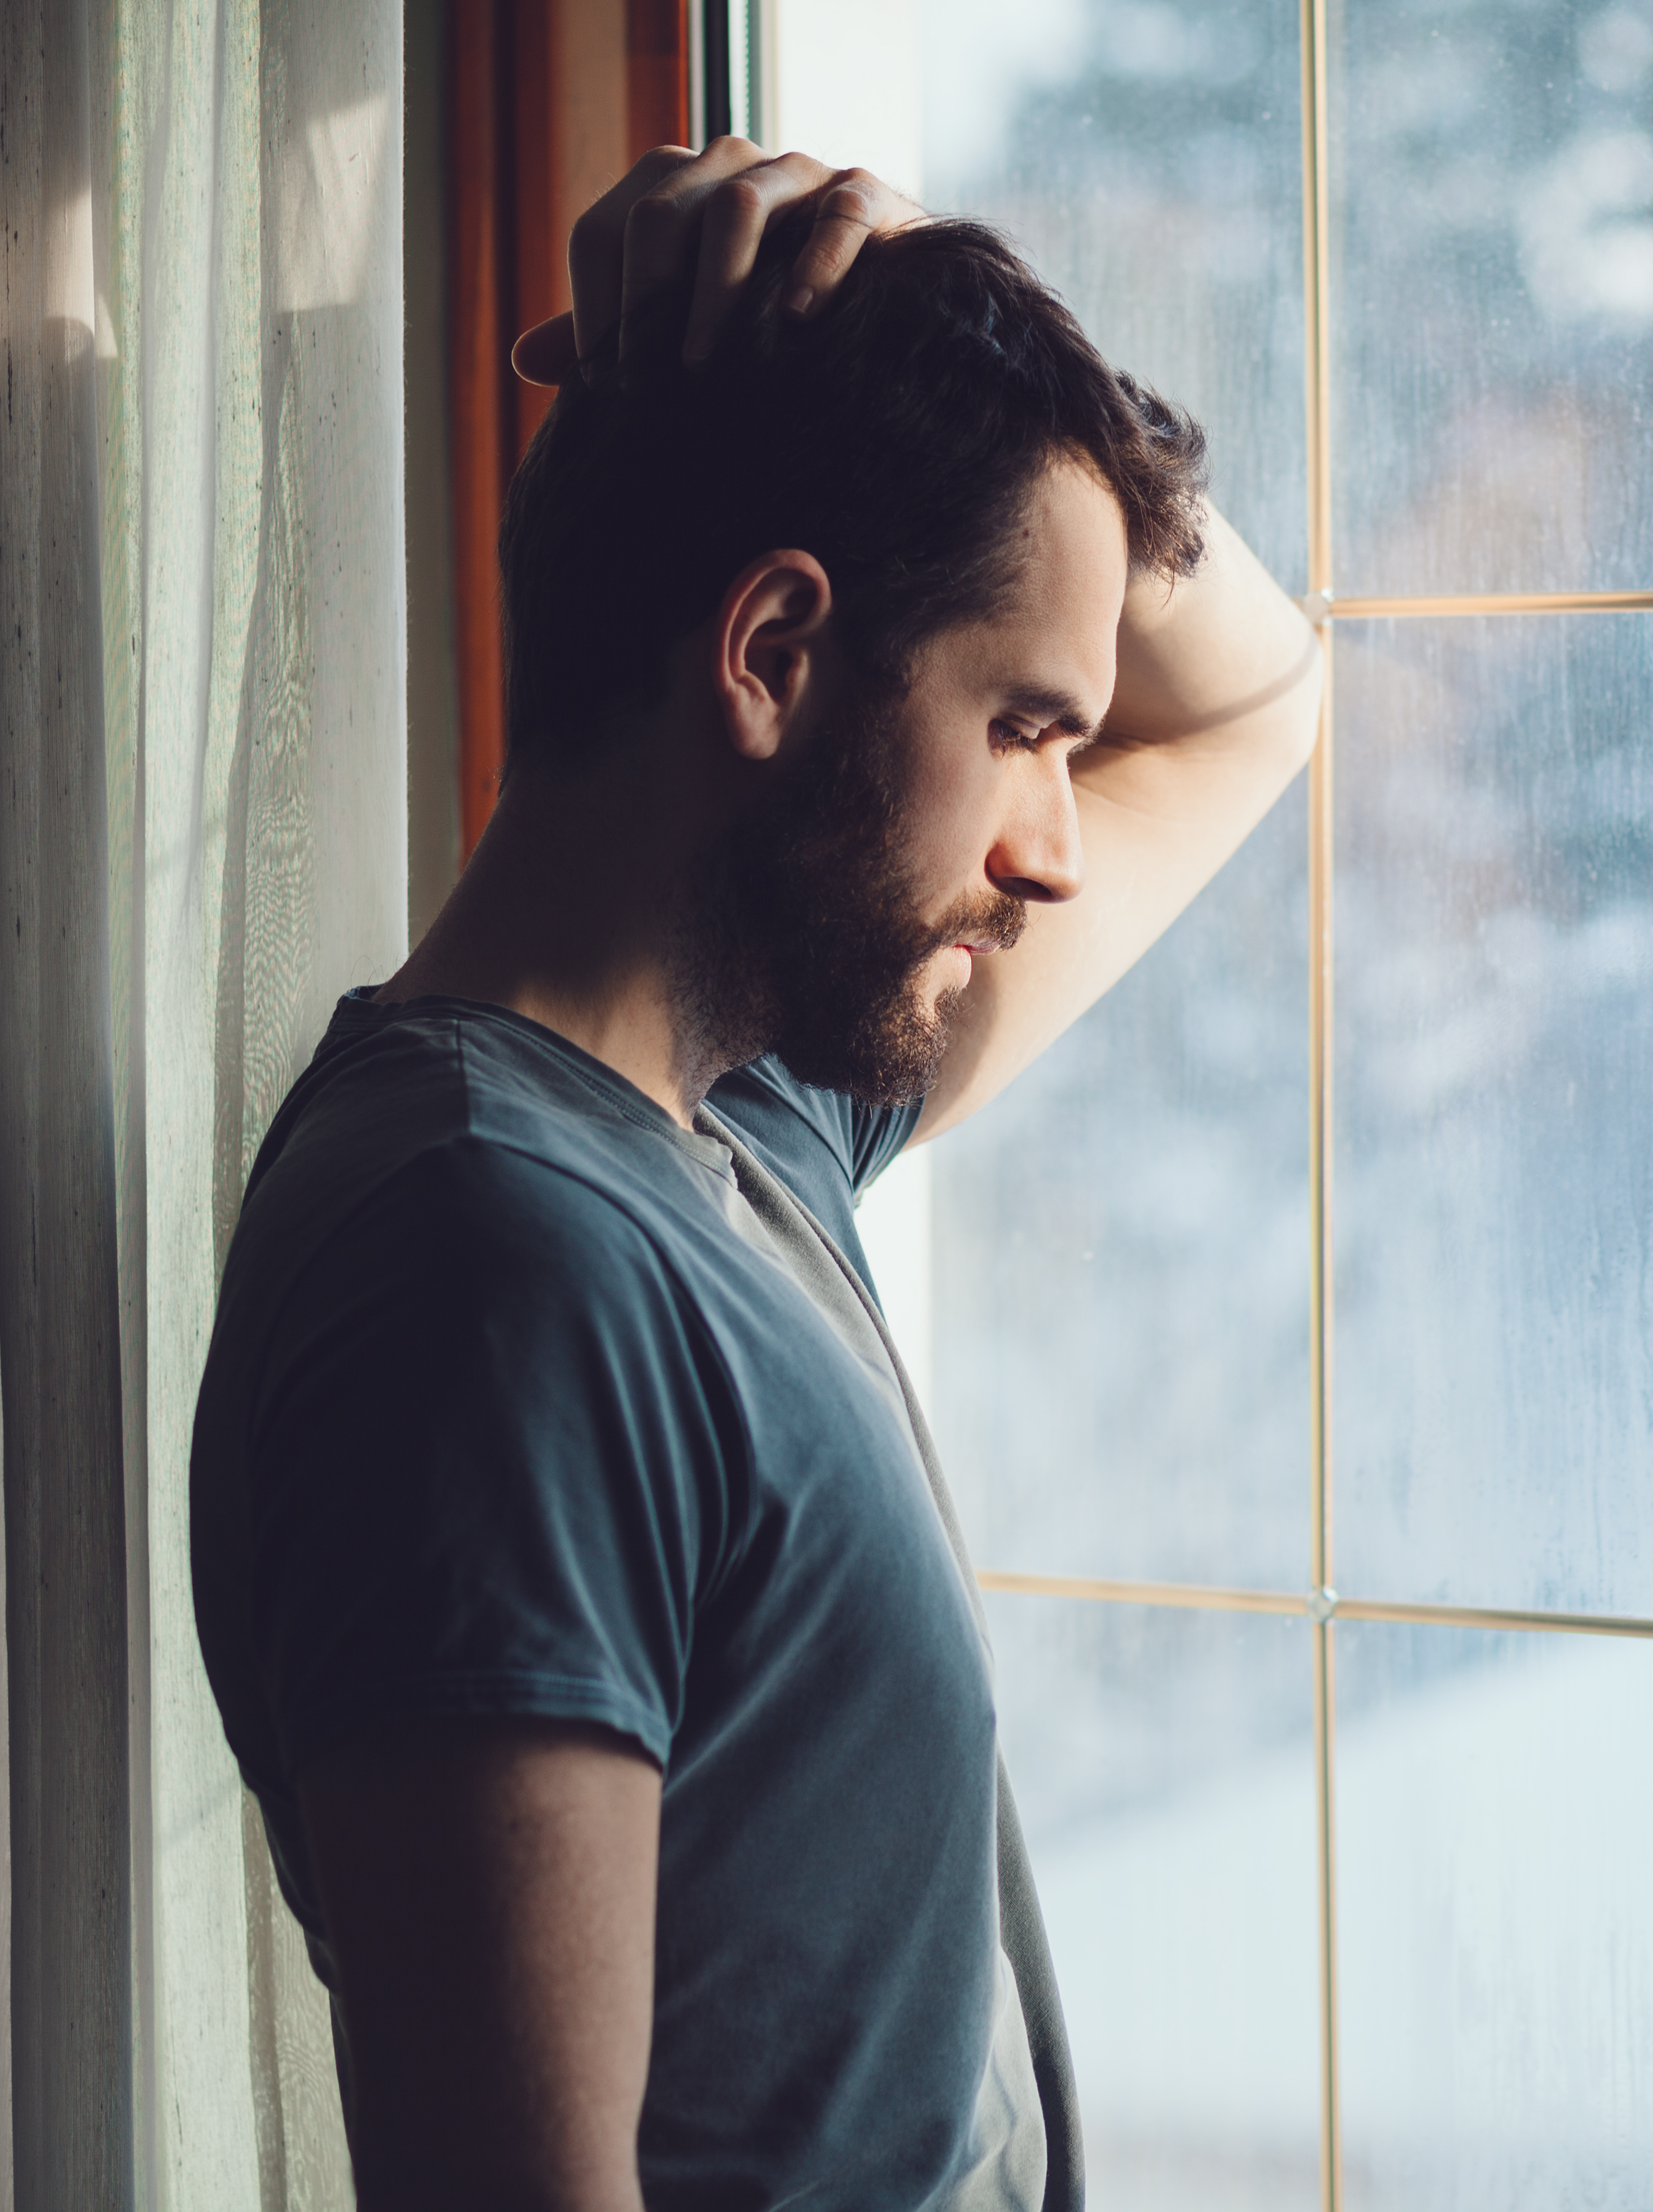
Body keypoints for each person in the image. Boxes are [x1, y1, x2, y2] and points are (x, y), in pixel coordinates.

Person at [189, 139, 1320, 2212]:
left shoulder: (750, 1126)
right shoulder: (493, 1264)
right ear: (775, 652)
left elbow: (1257, 695)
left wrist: (914, 300)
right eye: (1023, 727)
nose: (1057, 840)